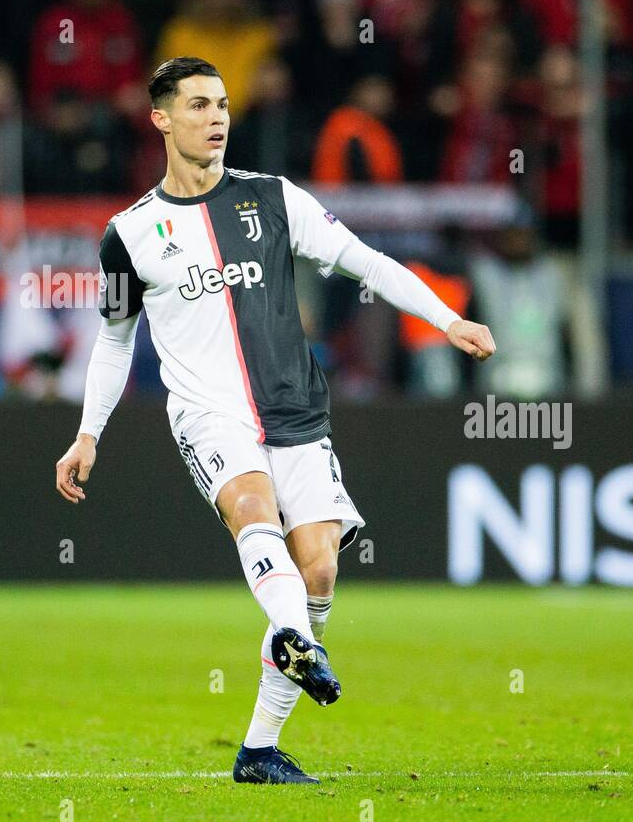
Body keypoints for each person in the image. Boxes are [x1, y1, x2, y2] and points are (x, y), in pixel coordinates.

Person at [53, 57, 495, 785]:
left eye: (223, 104)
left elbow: (366, 262)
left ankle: (260, 748)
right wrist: (88, 433)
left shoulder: (275, 199)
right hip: (207, 414)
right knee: (253, 508)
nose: (216, 117)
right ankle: (292, 635)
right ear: (161, 118)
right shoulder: (128, 235)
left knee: (318, 564)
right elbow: (114, 336)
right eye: (197, 106)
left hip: (295, 409)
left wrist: (446, 319)